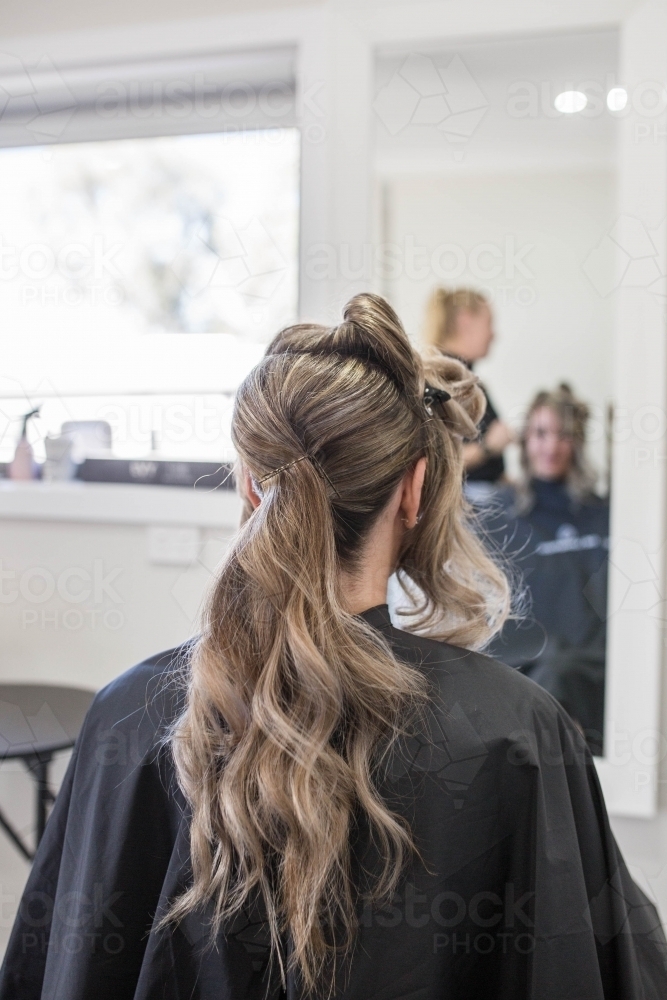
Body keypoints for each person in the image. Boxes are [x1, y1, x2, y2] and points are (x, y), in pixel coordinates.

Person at [1, 296, 665, 1000]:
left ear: (250, 487)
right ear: (414, 490)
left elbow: (60, 969)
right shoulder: (517, 734)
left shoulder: (127, 717)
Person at [486, 385, 609, 754]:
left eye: (563, 435)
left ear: (577, 442)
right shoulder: (503, 517)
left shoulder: (604, 515)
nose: (551, 447)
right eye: (541, 434)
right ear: (525, 442)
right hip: (531, 674)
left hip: (594, 670)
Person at [424, 287, 513, 485]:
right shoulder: (437, 384)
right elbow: (435, 463)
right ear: (465, 321)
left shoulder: (470, 384)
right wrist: (487, 448)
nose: (493, 335)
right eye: (489, 323)